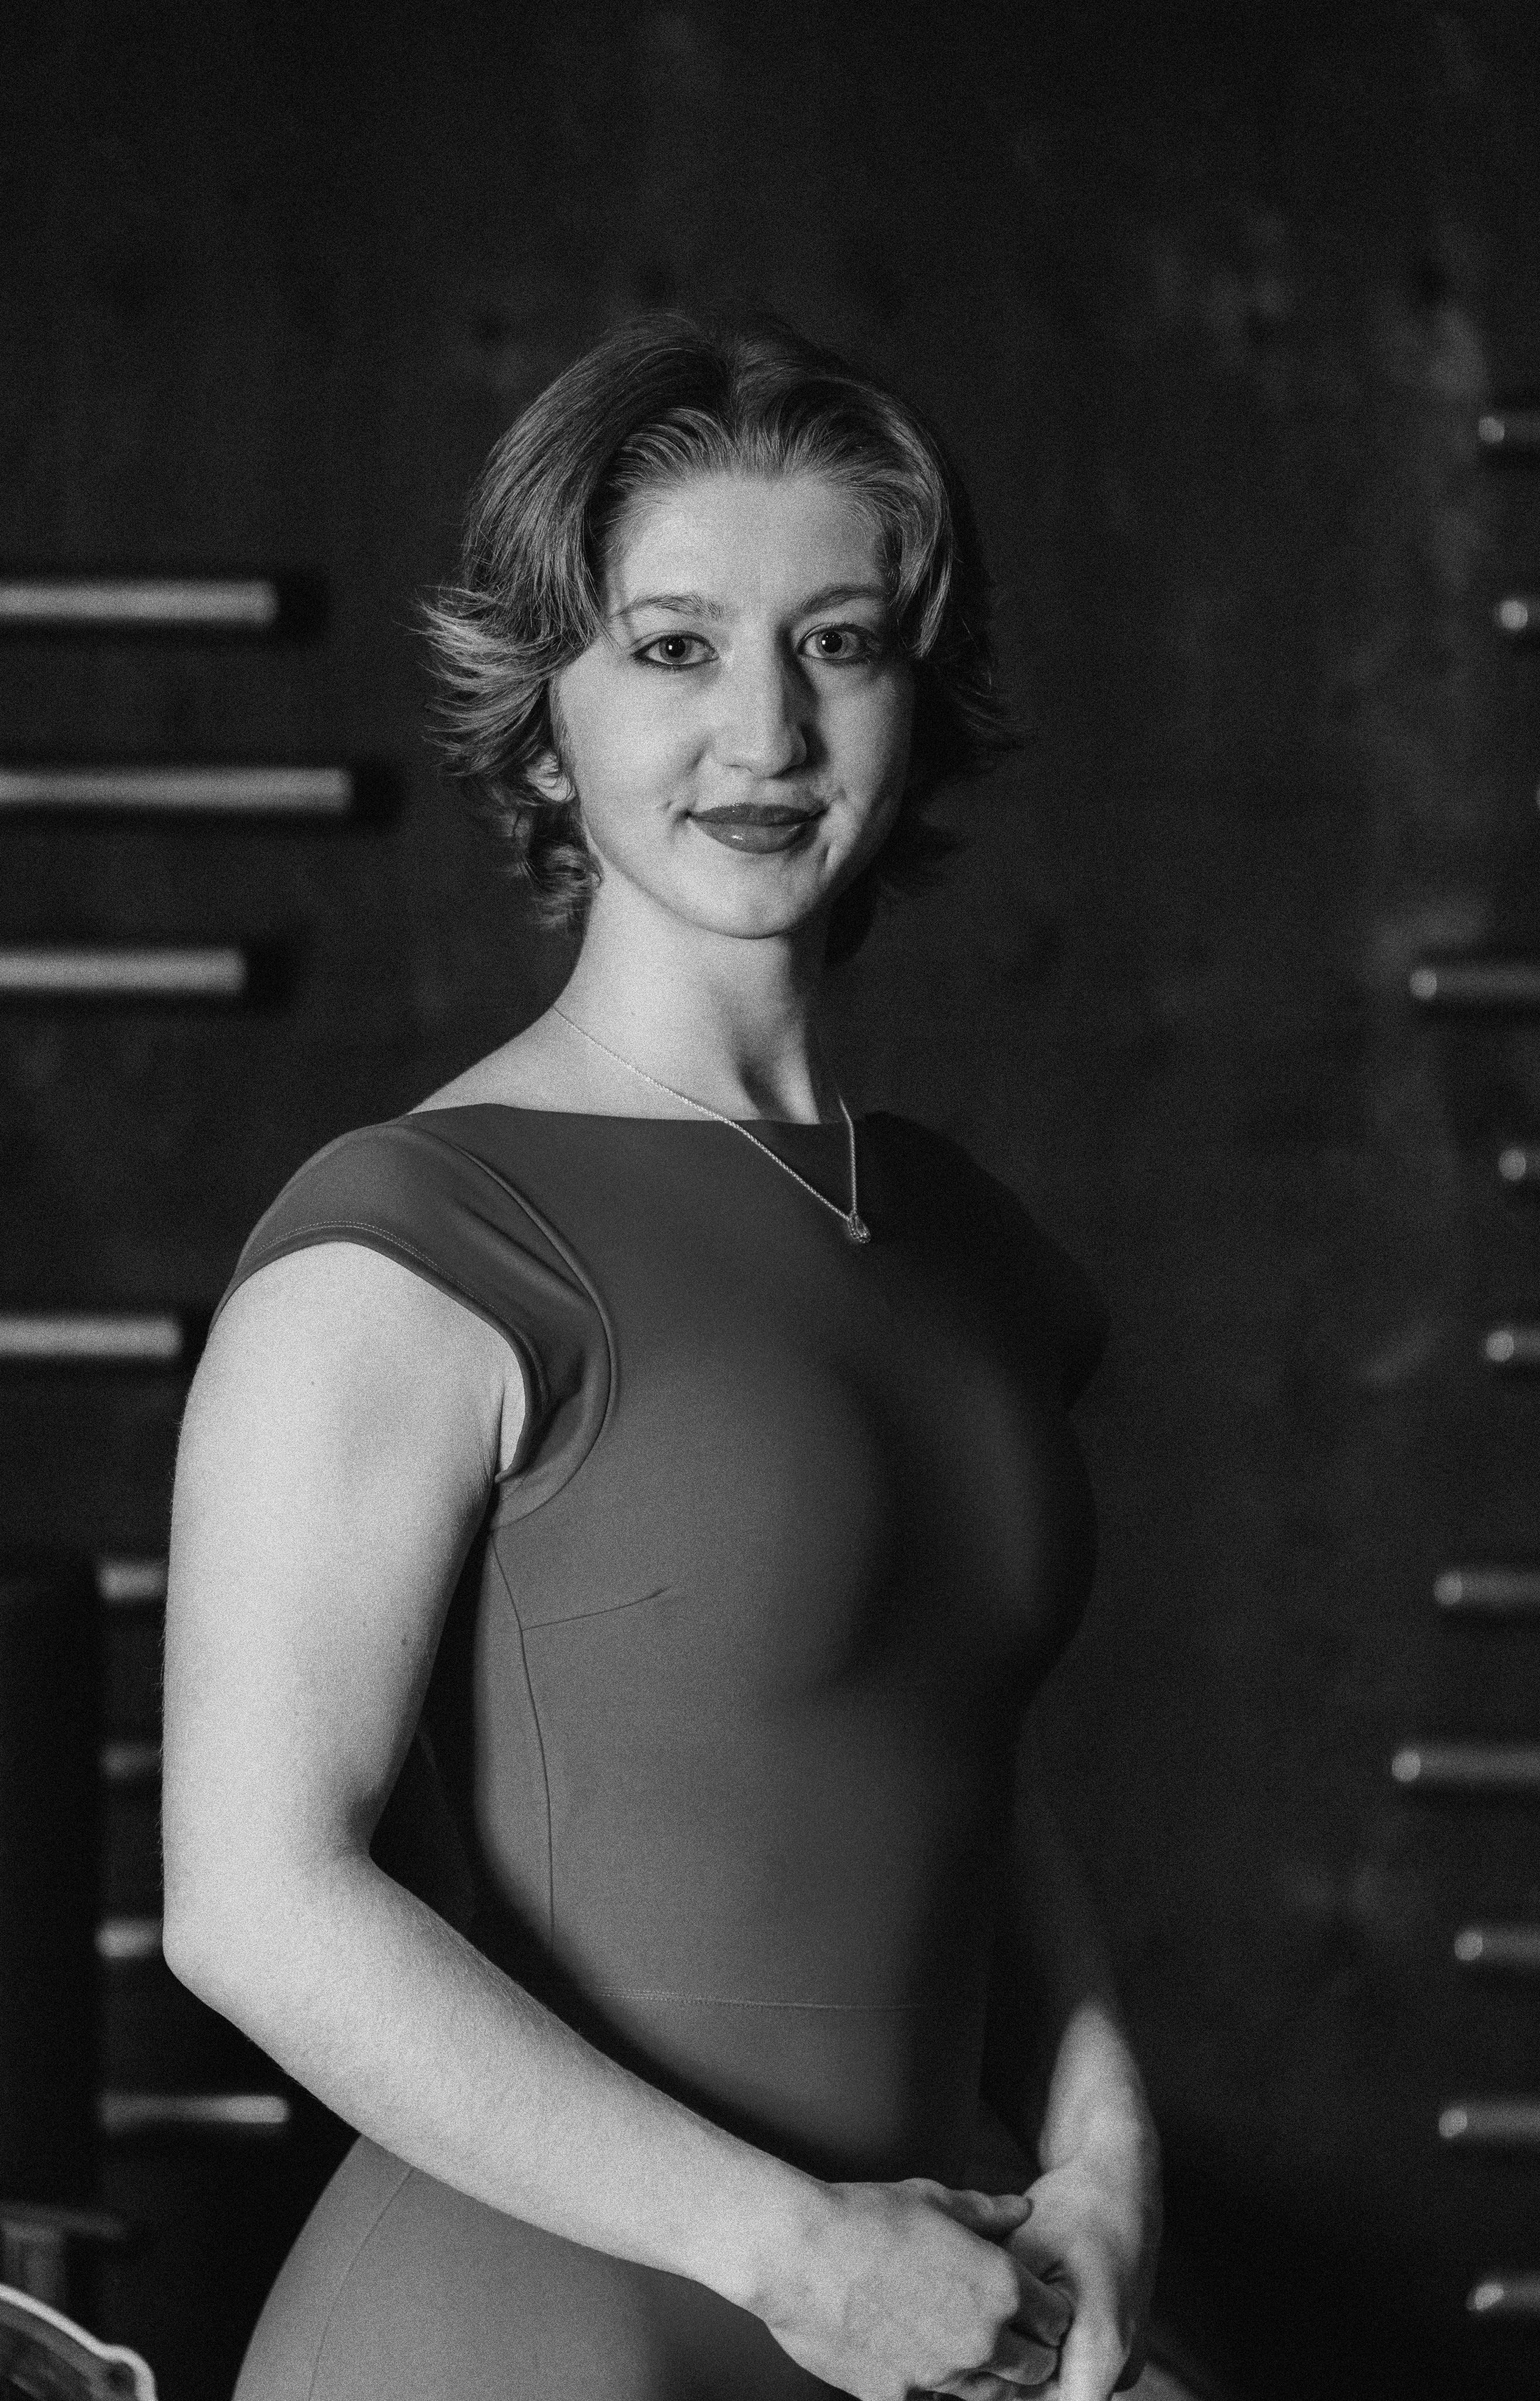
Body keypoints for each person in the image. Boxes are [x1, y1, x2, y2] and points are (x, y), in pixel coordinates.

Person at [161, 312, 1162, 2401]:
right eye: (674, 646)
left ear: (918, 694)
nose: (767, 735)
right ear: (542, 719)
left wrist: (1101, 2156)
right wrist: (790, 2250)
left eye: (841, 643)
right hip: (524, 2337)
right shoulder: (406, 1246)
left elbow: (950, 1752)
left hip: (926, 2315)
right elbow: (250, 1904)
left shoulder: (967, 1242)